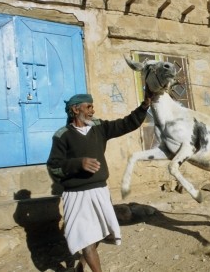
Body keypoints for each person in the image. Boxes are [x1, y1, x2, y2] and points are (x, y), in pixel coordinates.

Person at [47, 93, 150, 272]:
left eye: (92, 107)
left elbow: (126, 124)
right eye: (88, 107)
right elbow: (53, 167)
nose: (92, 111)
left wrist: (144, 107)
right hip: (76, 195)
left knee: (96, 234)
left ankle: (82, 265)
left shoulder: (99, 127)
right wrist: (79, 163)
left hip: (100, 192)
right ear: (75, 109)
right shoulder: (62, 136)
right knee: (86, 239)